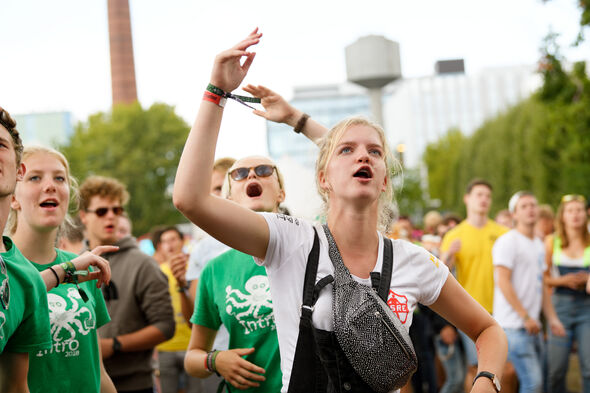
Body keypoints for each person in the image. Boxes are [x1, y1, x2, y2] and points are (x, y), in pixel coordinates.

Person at [173, 30, 507, 393]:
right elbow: (190, 199)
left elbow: (488, 330)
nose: (363, 156)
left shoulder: (414, 262)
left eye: (375, 152)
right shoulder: (289, 240)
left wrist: (486, 381)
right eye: (347, 151)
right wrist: (216, 92)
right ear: (323, 179)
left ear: (383, 181)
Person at [0, 107, 112, 392]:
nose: (50, 186)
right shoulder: (8, 269)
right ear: (14, 194)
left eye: (59, 178)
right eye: (35, 178)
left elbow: (97, 370)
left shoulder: (83, 267)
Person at [184, 155, 285, 392]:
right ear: (228, 198)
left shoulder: (311, 248)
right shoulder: (215, 269)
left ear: (281, 193)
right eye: (239, 174)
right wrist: (215, 360)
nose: (252, 175)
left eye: (263, 170)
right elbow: (192, 358)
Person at [79, 175, 175, 393]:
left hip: (134, 385)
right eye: (102, 211)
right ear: (84, 216)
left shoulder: (143, 264)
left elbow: (165, 326)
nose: (111, 216)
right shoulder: (73, 264)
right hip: (85, 383)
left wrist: (114, 345)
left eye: (117, 210)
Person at [440, 179, 512, 392]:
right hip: (471, 313)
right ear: (467, 199)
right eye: (479, 195)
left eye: (487, 196)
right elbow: (439, 276)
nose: (484, 200)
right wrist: (447, 255)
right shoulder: (454, 235)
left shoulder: (503, 233)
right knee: (478, 369)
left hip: (502, 310)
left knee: (504, 370)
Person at [492, 191, 565, 393]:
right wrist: (524, 316)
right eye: (524, 206)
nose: (530, 209)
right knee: (533, 383)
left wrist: (552, 319)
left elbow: (541, 285)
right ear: (514, 214)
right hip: (514, 325)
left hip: (532, 325)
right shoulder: (507, 242)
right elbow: (503, 282)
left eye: (533, 205)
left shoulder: (538, 244)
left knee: (537, 382)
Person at [544, 194, 590, 393]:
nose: (575, 215)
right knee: (556, 370)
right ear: (562, 216)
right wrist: (564, 280)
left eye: (579, 210)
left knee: (589, 369)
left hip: (587, 307)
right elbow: (542, 278)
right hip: (560, 307)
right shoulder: (551, 241)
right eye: (570, 211)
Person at [152, 226, 202, 393]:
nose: (169, 245)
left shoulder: (195, 269)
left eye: (173, 239)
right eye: (165, 241)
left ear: (182, 241)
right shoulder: (157, 272)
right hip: (166, 346)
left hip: (193, 345)